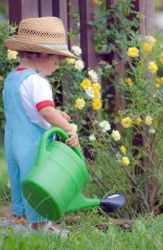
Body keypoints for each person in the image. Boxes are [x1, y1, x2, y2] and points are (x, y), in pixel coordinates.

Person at [3, 16, 80, 236]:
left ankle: (20, 220)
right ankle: (39, 225)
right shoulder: (37, 81)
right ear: (44, 55)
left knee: (18, 178)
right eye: (57, 60)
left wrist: (57, 114)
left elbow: (29, 108)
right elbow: (45, 110)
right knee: (36, 180)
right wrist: (68, 128)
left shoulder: (12, 78)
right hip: (32, 142)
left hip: (12, 140)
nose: (57, 66)